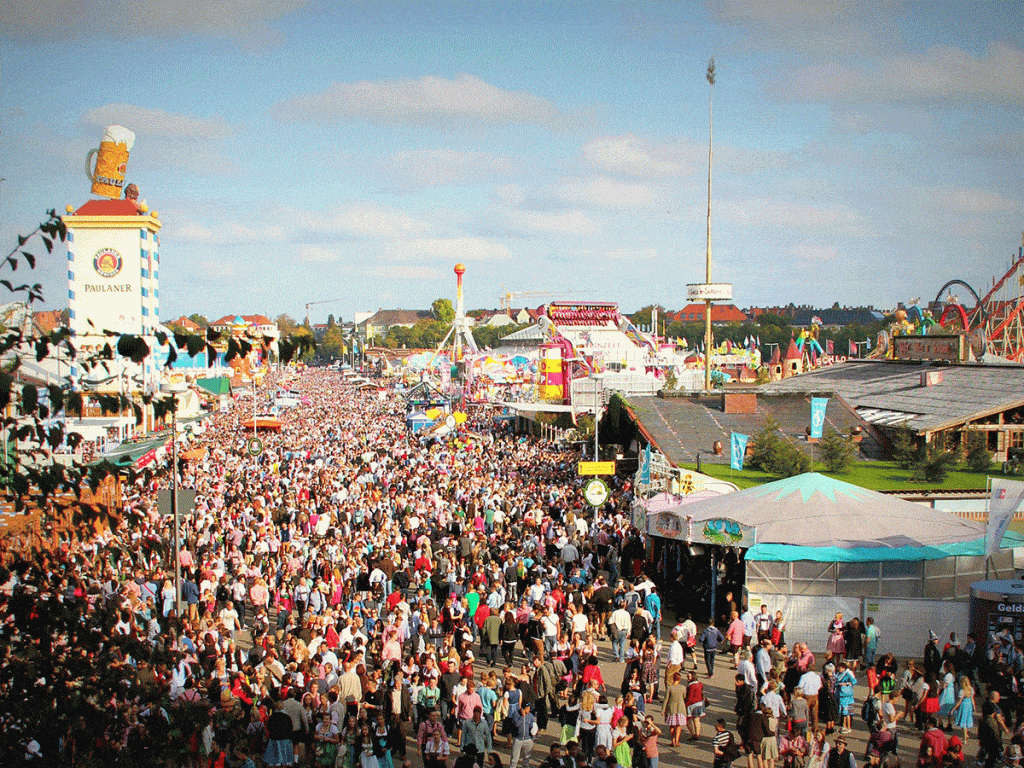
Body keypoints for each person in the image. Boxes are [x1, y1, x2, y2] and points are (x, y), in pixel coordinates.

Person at [662, 670, 687, 746]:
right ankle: (677, 740)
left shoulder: (669, 688)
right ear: (679, 679)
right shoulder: (683, 688)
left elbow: (666, 699)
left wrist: (663, 709)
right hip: (680, 708)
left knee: (672, 725)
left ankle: (672, 740)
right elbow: (684, 697)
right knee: (679, 725)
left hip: (671, 708)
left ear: (673, 678)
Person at [949, 676, 975, 745]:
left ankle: (965, 738)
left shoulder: (962, 691)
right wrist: (974, 707)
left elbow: (959, 701)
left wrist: (953, 709)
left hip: (963, 706)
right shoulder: (971, 689)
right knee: (966, 721)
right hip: (969, 705)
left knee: (963, 722)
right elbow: (972, 699)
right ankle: (966, 734)